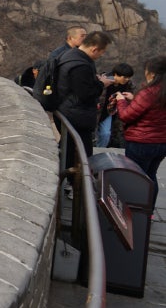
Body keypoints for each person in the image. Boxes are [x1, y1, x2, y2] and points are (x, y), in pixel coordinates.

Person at [54, 31, 113, 180]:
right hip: (76, 115)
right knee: (81, 155)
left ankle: (69, 184)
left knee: (68, 151)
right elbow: (85, 93)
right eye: (102, 52)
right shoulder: (80, 65)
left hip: (68, 111)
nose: (101, 55)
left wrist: (94, 80)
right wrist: (101, 84)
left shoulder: (70, 55)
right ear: (94, 49)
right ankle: (76, 188)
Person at [114, 55, 166, 202]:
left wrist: (121, 101)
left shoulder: (148, 92)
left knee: (135, 178)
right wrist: (134, 99)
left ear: (153, 73)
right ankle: (147, 212)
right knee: (150, 176)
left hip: (141, 142)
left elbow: (125, 116)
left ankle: (133, 212)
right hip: (162, 143)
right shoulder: (160, 91)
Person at [96, 62, 134, 148]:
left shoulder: (128, 84)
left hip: (110, 112)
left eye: (129, 77)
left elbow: (134, 97)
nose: (127, 79)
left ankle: (100, 150)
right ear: (116, 74)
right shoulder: (103, 81)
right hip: (97, 111)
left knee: (105, 134)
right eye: (125, 77)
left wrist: (130, 97)